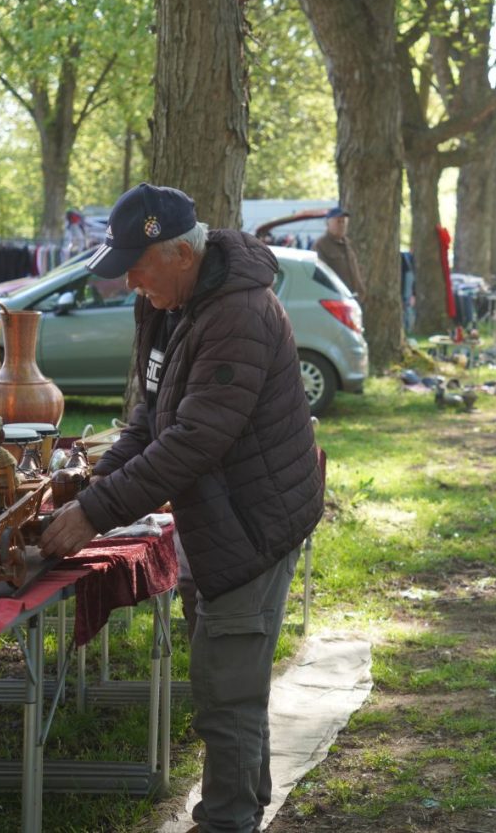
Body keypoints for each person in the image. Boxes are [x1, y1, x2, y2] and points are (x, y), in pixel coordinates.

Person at [40, 182, 324, 832]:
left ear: (180, 254)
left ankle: (226, 820)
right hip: (218, 515)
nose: (129, 283)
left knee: (226, 688)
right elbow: (151, 416)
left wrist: (93, 514)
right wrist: (95, 484)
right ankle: (243, 804)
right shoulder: (169, 303)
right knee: (229, 675)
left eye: (137, 267)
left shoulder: (238, 314)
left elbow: (194, 439)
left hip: (253, 521)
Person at [313, 205, 365, 298]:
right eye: (338, 221)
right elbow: (320, 275)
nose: (342, 225)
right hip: (335, 298)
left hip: (353, 297)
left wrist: (361, 290)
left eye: (344, 221)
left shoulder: (348, 244)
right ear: (328, 223)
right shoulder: (321, 245)